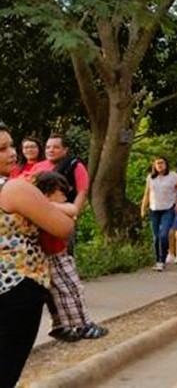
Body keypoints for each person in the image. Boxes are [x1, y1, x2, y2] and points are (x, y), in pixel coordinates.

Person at [0, 127, 75, 387]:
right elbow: (63, 228)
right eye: (2, 149)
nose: (12, 153)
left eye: (11, 146)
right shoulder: (15, 189)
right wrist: (53, 206)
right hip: (17, 288)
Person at [33, 134, 108, 342]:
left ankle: (63, 325)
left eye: (55, 147)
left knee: (63, 291)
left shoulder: (74, 166)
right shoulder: (46, 209)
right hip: (54, 256)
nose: (66, 195)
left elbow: (76, 201)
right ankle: (81, 325)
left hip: (56, 254)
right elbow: (70, 209)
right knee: (69, 290)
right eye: (61, 192)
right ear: (48, 193)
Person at [140, 157, 177, 272]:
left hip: (168, 208)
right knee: (156, 236)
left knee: (164, 234)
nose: (160, 165)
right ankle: (157, 260)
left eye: (162, 163)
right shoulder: (151, 178)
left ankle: (162, 260)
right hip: (154, 209)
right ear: (154, 166)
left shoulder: (172, 176)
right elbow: (147, 194)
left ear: (166, 165)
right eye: (157, 163)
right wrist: (143, 208)